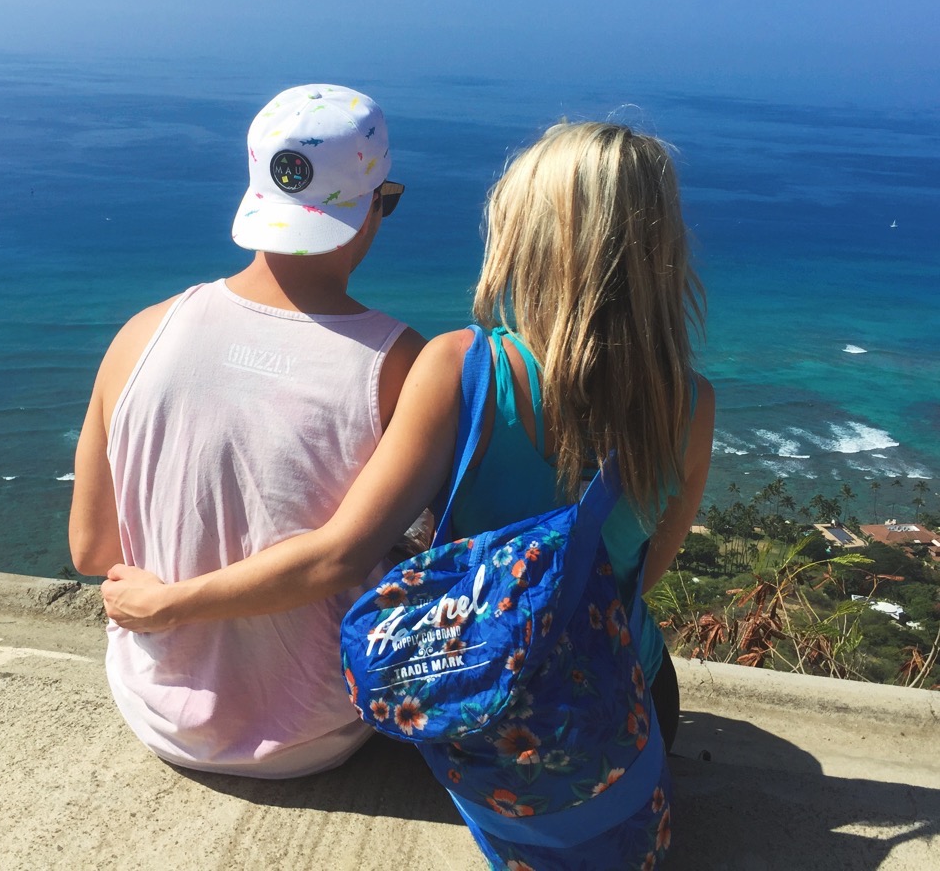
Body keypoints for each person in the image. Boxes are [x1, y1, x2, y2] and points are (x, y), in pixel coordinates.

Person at [102, 121, 715, 866]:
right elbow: (641, 575)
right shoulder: (692, 405)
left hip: (492, 716)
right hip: (631, 708)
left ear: (528, 239)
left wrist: (166, 605)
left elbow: (340, 553)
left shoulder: (463, 368)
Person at [69, 83, 425, 778]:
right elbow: (338, 561)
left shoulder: (143, 332)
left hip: (154, 711)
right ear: (372, 207)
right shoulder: (400, 363)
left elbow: (92, 550)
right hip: (319, 728)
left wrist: (165, 603)